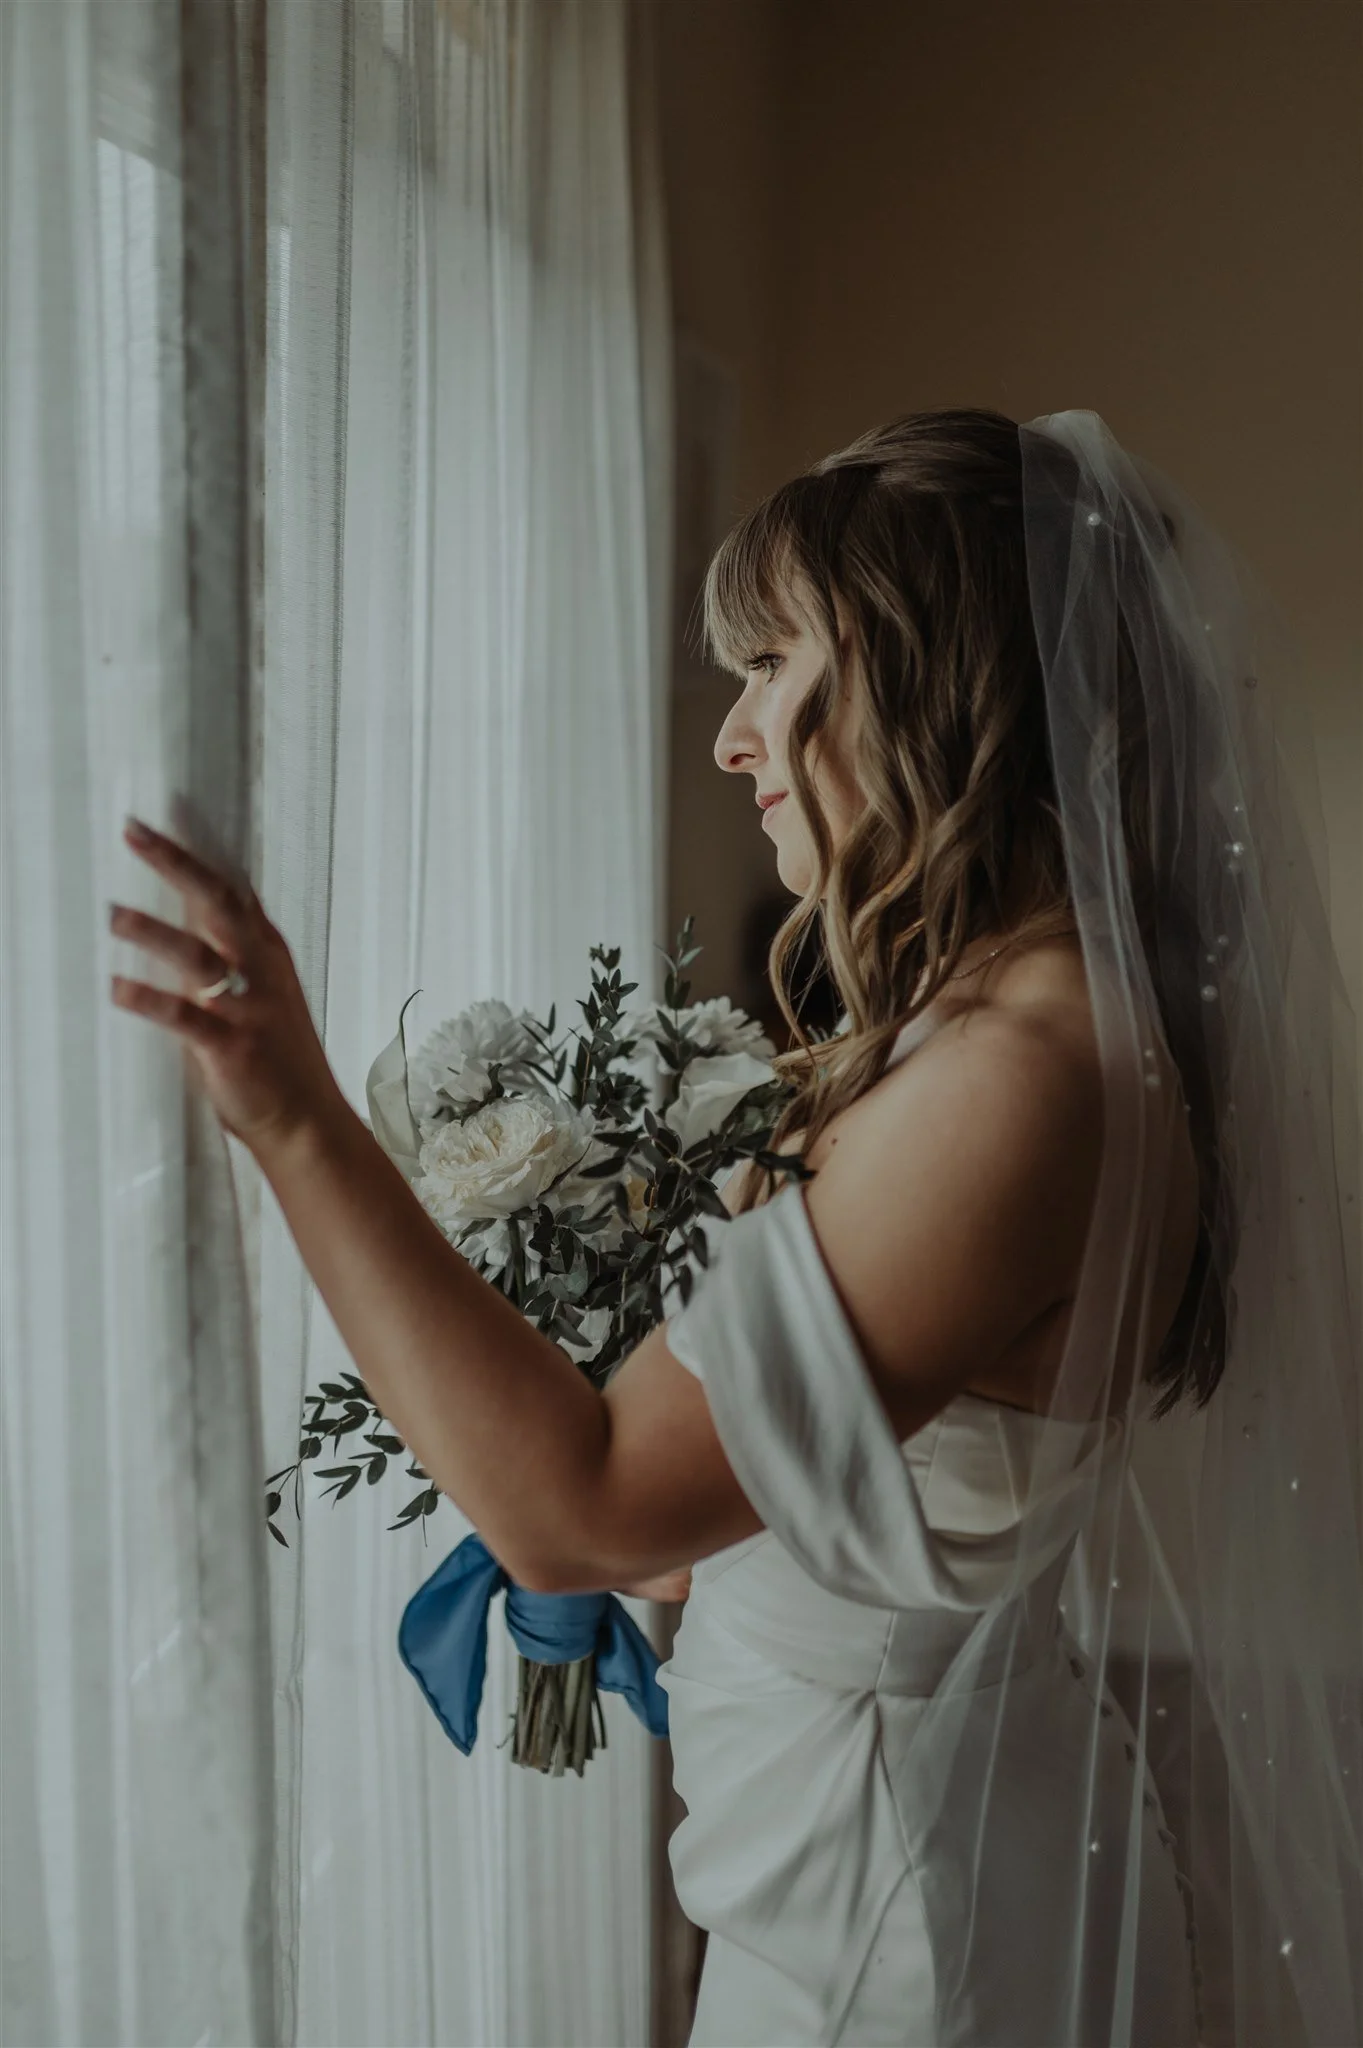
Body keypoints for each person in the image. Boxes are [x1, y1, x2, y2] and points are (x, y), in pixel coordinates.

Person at [109, 408, 1361, 2046]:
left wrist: (293, 1118)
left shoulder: (1022, 1077)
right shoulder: (1016, 1032)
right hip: (906, 1830)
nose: (734, 735)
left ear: (927, 680)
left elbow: (585, 1508)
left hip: (897, 1909)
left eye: (772, 666)